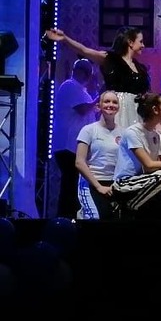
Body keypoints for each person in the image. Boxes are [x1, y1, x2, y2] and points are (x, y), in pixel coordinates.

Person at [46, 26, 150, 128]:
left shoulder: (140, 68)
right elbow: (84, 50)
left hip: (135, 113)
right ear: (130, 42)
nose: (143, 45)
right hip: (117, 111)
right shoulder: (110, 59)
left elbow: (146, 93)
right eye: (141, 42)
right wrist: (65, 38)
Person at [111, 93, 161, 220]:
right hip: (125, 184)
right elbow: (149, 165)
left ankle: (141, 203)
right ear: (155, 109)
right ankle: (127, 205)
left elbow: (153, 168)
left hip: (145, 184)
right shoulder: (133, 132)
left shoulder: (155, 135)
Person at [53, 58, 97, 218]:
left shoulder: (82, 91)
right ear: (80, 72)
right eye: (87, 73)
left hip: (75, 146)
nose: (89, 78)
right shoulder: (69, 86)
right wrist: (99, 98)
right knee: (69, 184)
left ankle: (71, 216)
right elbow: (82, 109)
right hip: (67, 145)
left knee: (73, 184)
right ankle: (65, 218)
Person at [73, 91, 123, 220]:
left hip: (113, 184)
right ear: (98, 106)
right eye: (107, 101)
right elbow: (79, 162)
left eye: (114, 102)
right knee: (94, 218)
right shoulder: (88, 130)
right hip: (92, 183)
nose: (111, 105)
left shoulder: (123, 132)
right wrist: (98, 186)